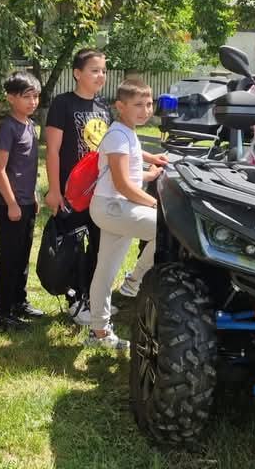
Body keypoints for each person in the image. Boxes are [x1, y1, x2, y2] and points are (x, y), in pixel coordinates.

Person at [44, 49, 167, 324]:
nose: (101, 76)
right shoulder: (63, 104)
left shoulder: (102, 106)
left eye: (104, 71)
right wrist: (54, 189)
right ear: (77, 73)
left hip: (99, 188)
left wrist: (150, 158)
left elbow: (115, 146)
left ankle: (92, 302)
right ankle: (76, 300)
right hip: (74, 190)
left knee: (99, 250)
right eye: (94, 70)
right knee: (74, 247)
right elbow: (52, 150)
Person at [87, 79, 164, 349]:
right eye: (138, 105)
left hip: (114, 207)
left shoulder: (126, 131)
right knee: (167, 229)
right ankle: (134, 282)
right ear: (120, 106)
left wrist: (151, 167)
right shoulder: (118, 135)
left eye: (149, 104)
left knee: (105, 271)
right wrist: (155, 205)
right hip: (114, 207)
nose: (146, 110)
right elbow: (122, 184)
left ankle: (98, 332)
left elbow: (129, 166)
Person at [0, 72, 43, 330]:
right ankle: (3, 312)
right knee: (9, 257)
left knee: (23, 255)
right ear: (11, 98)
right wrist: (11, 203)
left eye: (36, 96)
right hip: (10, 203)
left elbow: (27, 166)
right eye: (27, 97)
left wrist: (32, 194)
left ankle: (19, 301)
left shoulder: (30, 125)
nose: (33, 102)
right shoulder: (7, 128)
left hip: (26, 201)